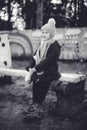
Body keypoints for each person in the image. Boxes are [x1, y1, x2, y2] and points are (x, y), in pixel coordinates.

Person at [24, 18, 61, 117]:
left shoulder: (54, 45)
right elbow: (35, 56)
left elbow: (49, 60)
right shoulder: (42, 43)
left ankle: (38, 106)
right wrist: (31, 66)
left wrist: (36, 68)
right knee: (36, 83)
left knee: (43, 84)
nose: (43, 34)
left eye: (46, 32)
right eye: (42, 32)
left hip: (49, 71)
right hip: (39, 70)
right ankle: (34, 104)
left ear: (51, 34)